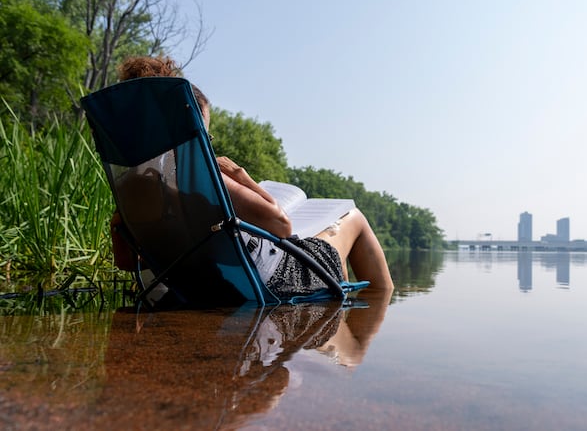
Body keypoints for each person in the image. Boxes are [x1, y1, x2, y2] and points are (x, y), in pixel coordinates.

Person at [111, 55, 393, 296]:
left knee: (319, 248)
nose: (207, 143)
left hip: (195, 287)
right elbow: (281, 226)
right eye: (205, 134)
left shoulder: (129, 186)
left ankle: (334, 340)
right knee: (354, 220)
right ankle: (374, 317)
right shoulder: (204, 180)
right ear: (188, 130)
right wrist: (241, 175)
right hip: (272, 281)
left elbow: (125, 260)